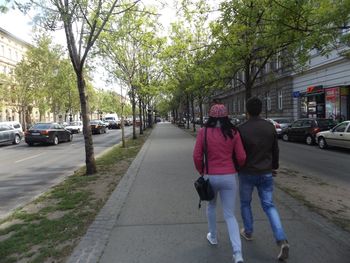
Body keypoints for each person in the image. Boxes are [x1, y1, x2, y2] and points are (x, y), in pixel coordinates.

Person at [237, 97, 289, 261]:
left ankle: (249, 231)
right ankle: (281, 240)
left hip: (246, 173)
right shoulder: (269, 126)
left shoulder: (241, 129)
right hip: (266, 173)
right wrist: (273, 166)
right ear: (261, 110)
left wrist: (238, 167)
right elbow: (275, 150)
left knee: (245, 203)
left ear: (247, 110)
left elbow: (238, 154)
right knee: (269, 206)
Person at [193, 104, 246, 263]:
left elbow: (196, 156)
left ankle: (213, 236)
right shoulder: (234, 132)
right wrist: (236, 168)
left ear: (210, 116)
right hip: (229, 176)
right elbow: (242, 156)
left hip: (211, 176)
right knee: (230, 215)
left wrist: (202, 171)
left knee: (211, 206)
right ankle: (238, 254)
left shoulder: (204, 132)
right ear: (226, 116)